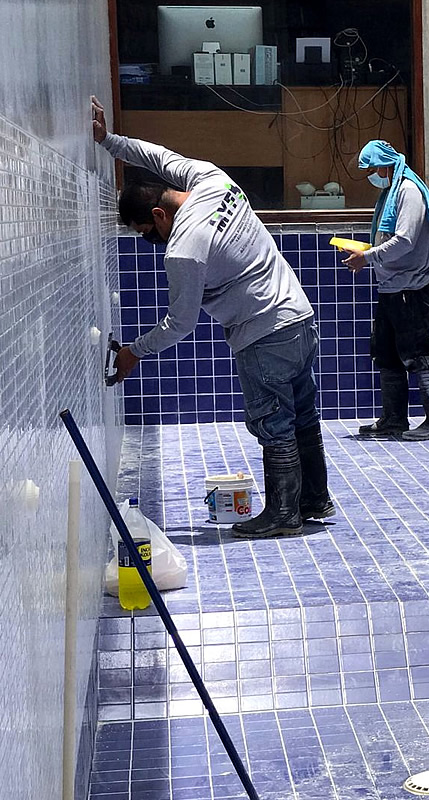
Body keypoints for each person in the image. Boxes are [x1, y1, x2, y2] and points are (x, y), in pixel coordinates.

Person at [90, 96, 333, 539]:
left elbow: (180, 324)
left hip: (262, 333)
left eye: (148, 233)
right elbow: (157, 156)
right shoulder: (210, 179)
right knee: (302, 414)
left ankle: (284, 514)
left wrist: (133, 352)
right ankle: (314, 500)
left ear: (159, 214)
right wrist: (109, 141)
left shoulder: (185, 247)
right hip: (298, 317)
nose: (152, 243)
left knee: (273, 422)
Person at [343, 139, 429, 441]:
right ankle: (393, 419)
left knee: (418, 352)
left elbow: (404, 240)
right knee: (387, 353)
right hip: (392, 287)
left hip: (411, 289)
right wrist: (367, 253)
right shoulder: (391, 193)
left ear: (385, 165)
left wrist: (368, 256)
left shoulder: (408, 192)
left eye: (373, 169)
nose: (372, 176)